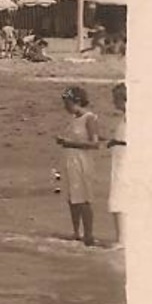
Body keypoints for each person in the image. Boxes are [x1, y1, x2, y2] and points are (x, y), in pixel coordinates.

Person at [55, 86, 101, 246]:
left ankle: (88, 234)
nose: (65, 107)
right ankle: (77, 232)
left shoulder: (90, 118)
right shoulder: (74, 118)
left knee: (84, 198)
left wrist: (69, 143)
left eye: (67, 103)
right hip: (71, 160)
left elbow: (95, 144)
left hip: (83, 161)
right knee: (73, 198)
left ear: (77, 101)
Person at [106, 82, 127, 246]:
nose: (114, 102)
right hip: (121, 155)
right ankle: (123, 237)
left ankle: (122, 239)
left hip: (125, 160)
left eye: (116, 99)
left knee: (119, 196)